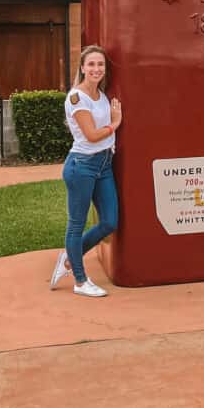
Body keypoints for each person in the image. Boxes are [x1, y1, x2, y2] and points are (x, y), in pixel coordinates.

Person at [50, 45, 123, 297]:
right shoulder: (77, 97)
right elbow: (92, 136)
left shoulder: (101, 95)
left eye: (100, 65)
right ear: (82, 68)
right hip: (82, 165)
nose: (96, 69)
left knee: (110, 221)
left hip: (103, 164)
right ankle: (80, 281)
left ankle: (70, 259)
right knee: (76, 224)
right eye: (91, 64)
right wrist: (114, 123)